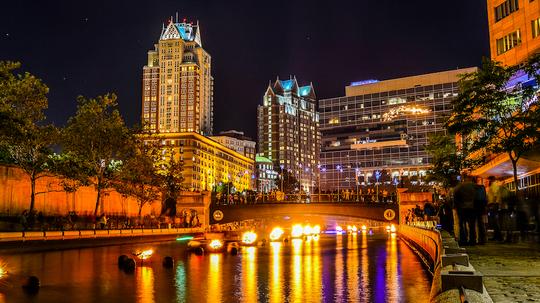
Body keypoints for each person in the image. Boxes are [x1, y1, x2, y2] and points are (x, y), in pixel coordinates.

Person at [453, 176, 477, 246]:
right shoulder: (474, 186)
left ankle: (463, 240)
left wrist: (456, 207)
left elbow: (455, 197)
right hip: (472, 208)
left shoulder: (459, 187)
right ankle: (473, 240)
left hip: (462, 208)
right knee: (471, 225)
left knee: (462, 225)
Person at [486, 176, 503, 241]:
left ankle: (498, 236)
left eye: (488, 180)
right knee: (494, 221)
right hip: (493, 204)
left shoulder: (494, 185)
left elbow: (495, 195)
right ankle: (497, 236)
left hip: (493, 204)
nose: (488, 182)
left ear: (491, 180)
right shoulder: (493, 185)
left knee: (494, 221)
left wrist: (493, 204)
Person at [473, 176, 487, 244]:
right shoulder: (482, 187)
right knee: (481, 223)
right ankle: (483, 238)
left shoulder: (473, 188)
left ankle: (478, 238)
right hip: (481, 206)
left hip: (475, 206)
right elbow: (484, 197)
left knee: (476, 223)